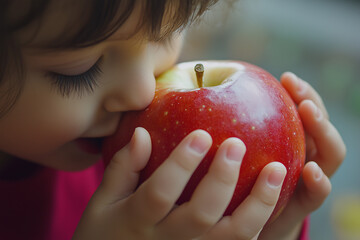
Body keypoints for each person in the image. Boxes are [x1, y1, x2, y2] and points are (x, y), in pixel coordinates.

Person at [0, 0, 346, 239]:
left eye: (164, 34)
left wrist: (271, 229)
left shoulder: (148, 150)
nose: (144, 91)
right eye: (79, 71)